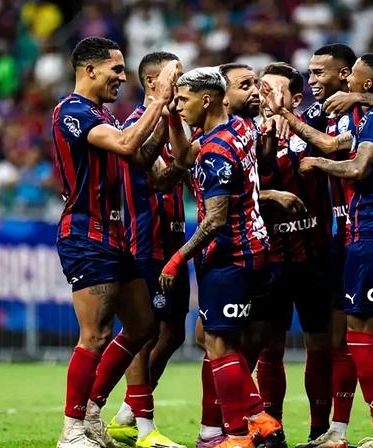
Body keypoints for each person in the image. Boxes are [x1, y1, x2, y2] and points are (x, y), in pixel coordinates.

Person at [263, 44, 373, 448]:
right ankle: (343, 430)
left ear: (347, 74)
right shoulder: (323, 113)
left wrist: (360, 97)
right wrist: (280, 115)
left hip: (372, 229)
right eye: (310, 73)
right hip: (343, 235)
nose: (313, 79)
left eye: (320, 72)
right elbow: (327, 143)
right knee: (352, 336)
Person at [51, 36, 178, 448]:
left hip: (115, 236)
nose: (123, 79)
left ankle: (91, 410)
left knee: (143, 325)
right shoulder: (71, 111)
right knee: (96, 334)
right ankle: (71, 430)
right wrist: (156, 99)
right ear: (89, 70)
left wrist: (166, 115)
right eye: (116, 70)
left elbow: (140, 158)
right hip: (85, 235)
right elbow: (126, 144)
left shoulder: (101, 114)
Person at [158, 67, 282, 448]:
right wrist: (171, 117)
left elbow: (214, 219)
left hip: (230, 256)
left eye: (184, 99)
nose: (178, 104)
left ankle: (242, 432)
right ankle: (257, 421)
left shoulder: (215, 152)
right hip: (254, 250)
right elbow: (181, 157)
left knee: (218, 345)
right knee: (218, 342)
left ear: (207, 99)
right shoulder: (239, 128)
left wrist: (177, 259)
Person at [107, 51, 187, 448]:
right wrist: (193, 155)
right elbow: (162, 178)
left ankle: (125, 412)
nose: (183, 82)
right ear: (155, 82)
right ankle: (143, 427)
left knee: (173, 334)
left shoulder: (178, 123)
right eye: (178, 75)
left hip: (176, 243)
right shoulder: (133, 125)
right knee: (142, 332)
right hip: (145, 243)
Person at [255, 62, 335, 434]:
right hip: (270, 260)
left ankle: (320, 431)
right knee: (270, 350)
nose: (264, 95)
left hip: (314, 259)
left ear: (296, 98)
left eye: (274, 89)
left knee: (321, 346)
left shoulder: (313, 124)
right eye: (261, 88)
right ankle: (274, 430)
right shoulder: (245, 132)